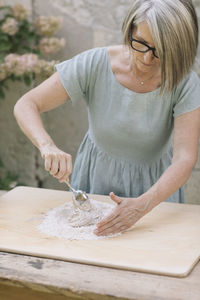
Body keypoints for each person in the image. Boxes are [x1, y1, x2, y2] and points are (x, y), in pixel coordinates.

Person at [14, 0, 200, 237]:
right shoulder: (95, 63)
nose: (146, 59)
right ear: (129, 30)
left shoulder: (186, 83)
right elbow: (26, 104)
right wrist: (46, 145)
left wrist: (142, 205)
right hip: (95, 178)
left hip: (156, 191)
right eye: (140, 44)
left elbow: (185, 158)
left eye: (160, 52)